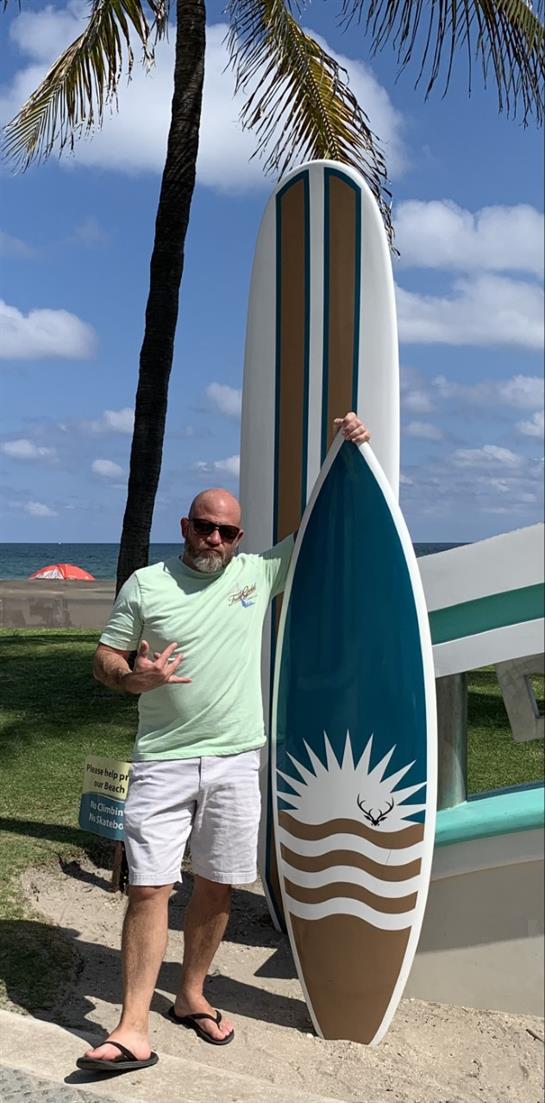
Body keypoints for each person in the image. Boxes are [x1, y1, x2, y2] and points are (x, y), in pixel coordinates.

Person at [77, 412, 370, 1072]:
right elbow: (104, 659)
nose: (213, 536)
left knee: (215, 886)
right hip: (162, 760)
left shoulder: (257, 574)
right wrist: (134, 676)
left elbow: (322, 523)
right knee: (150, 887)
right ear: (184, 526)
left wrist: (347, 449)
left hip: (238, 758)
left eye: (226, 530)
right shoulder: (147, 584)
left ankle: (190, 995)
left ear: (239, 537)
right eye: (203, 525)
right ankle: (130, 1025)